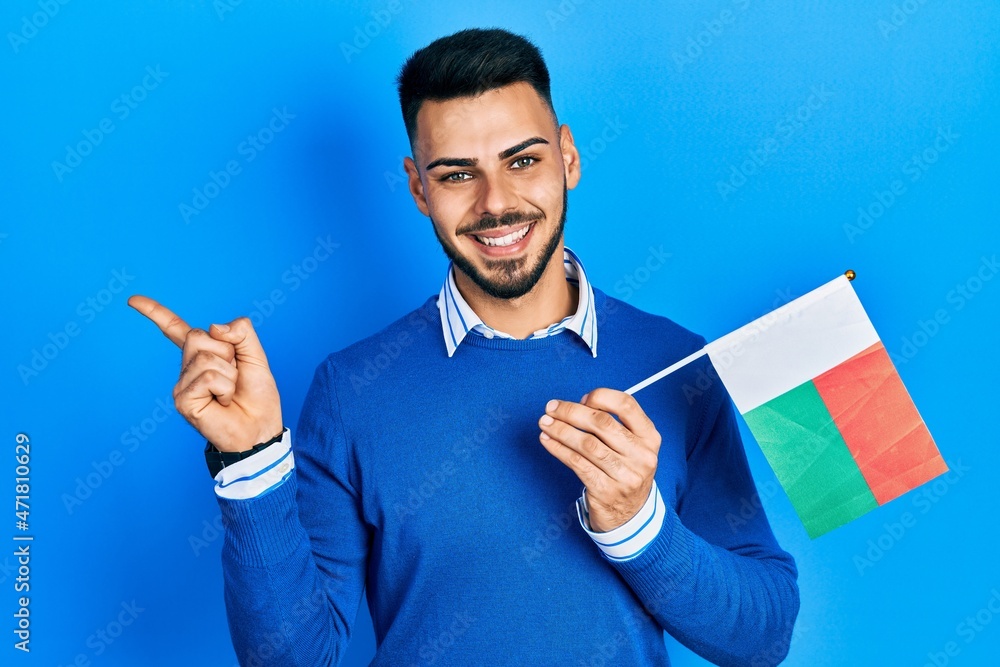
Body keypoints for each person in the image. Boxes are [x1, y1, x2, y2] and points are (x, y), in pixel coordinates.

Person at [129, 27, 800, 666]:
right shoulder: (351, 388)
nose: (496, 202)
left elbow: (762, 637)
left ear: (568, 157)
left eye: (524, 161)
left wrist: (638, 524)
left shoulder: (676, 363)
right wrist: (249, 462)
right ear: (419, 187)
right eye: (456, 175)